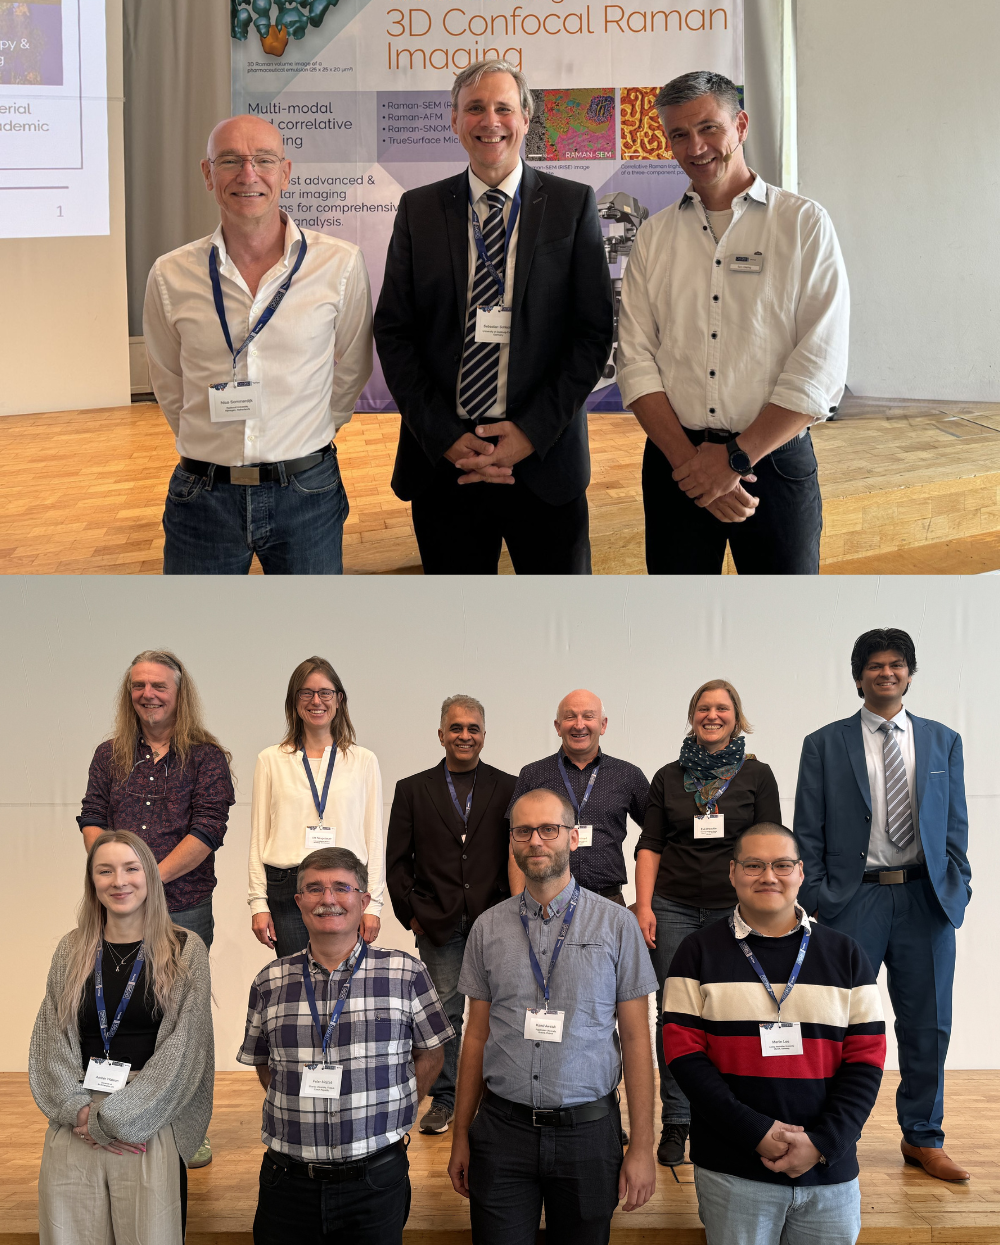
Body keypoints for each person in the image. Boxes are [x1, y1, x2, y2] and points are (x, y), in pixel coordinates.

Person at [374, 58, 613, 574]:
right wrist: (443, 436)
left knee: (564, 622)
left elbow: (593, 334)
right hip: (445, 464)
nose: (490, 121)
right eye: (475, 108)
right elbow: (394, 332)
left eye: (504, 107)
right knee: (457, 624)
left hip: (544, 460)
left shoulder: (573, 206)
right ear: (454, 120)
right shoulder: (418, 210)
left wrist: (529, 433)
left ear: (526, 117)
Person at [616, 70, 849, 575]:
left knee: (783, 628)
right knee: (677, 627)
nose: (695, 147)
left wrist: (734, 461)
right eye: (679, 134)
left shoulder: (804, 224)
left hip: (774, 465)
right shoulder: (654, 236)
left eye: (708, 128)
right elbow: (634, 360)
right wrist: (693, 465)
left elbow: (820, 365)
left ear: (740, 125)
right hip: (675, 465)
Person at [143, 114, 373, 574]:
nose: (248, 175)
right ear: (208, 174)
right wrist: (212, 438)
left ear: (285, 172)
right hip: (202, 495)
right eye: (229, 161)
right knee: (195, 630)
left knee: (314, 629)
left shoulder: (339, 263)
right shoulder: (170, 274)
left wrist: (311, 429)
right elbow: (169, 381)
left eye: (263, 160)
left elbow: (353, 364)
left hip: (307, 491)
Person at [794, 628, 972, 1182]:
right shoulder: (823, 743)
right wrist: (820, 898)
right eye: (875, 665)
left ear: (910, 674)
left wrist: (957, 884)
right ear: (858, 676)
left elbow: (956, 826)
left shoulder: (943, 741)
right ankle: (828, 1136)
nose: (886, 673)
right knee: (837, 1023)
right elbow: (807, 830)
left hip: (926, 899)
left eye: (897, 664)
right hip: (854, 900)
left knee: (929, 1025)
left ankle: (923, 1137)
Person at [447, 788, 657, 1243]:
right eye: (523, 831)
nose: (536, 841)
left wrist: (643, 1146)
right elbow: (476, 1038)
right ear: (512, 841)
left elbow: (638, 1041)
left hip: (589, 1134)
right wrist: (460, 1133)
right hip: (502, 1135)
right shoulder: (488, 928)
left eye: (549, 829)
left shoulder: (617, 925)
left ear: (573, 838)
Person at [663, 823, 885, 1245]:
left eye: (782, 864)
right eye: (754, 865)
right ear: (732, 872)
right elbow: (683, 1058)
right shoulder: (696, 953)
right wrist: (755, 1133)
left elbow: (867, 1061)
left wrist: (822, 1142)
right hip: (734, 1171)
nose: (769, 876)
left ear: (801, 872)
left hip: (828, 1175)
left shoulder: (846, 955)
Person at [238, 847, 454, 1245]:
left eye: (342, 887)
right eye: (315, 889)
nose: (328, 899)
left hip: (375, 1179)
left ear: (364, 900)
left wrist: (397, 1108)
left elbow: (431, 1053)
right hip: (287, 1182)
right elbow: (265, 1063)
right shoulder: (270, 981)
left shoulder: (406, 972)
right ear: (298, 901)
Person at [78, 649, 230, 1167]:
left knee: (186, 1024)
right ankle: (120, 1111)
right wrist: (116, 876)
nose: (148, 694)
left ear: (178, 693)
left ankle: (190, 1129)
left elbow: (209, 830)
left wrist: (146, 880)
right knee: (119, 1011)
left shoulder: (207, 757)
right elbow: (92, 817)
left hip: (184, 909)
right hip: (116, 913)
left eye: (159, 686)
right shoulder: (109, 753)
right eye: (139, 685)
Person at [29, 830, 213, 1245]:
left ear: (149, 875)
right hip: (75, 1119)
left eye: (131, 868)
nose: (119, 881)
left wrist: (118, 1119)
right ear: (92, 882)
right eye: (105, 870)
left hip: (146, 1121)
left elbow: (184, 1051)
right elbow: (50, 1041)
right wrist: (80, 1114)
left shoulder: (185, 949)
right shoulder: (72, 949)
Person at [632, 678, 782, 1167]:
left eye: (722, 708)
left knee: (739, 1009)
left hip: (736, 913)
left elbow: (771, 845)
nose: (712, 715)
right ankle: (676, 1120)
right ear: (692, 715)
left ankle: (734, 1116)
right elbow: (650, 845)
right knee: (674, 1013)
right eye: (703, 708)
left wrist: (769, 907)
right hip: (673, 906)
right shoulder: (668, 777)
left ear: (737, 717)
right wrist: (644, 905)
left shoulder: (758, 777)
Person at [386, 694, 518, 1136]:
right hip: (437, 923)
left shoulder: (507, 786)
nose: (465, 736)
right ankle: (444, 1100)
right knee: (443, 1015)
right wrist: (414, 916)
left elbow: (517, 852)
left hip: (496, 920)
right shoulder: (412, 789)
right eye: (456, 728)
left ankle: (493, 1097)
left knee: (497, 1010)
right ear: (441, 734)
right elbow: (397, 862)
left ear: (484, 735)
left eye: (473, 728)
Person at [249, 657, 385, 957]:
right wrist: (258, 902)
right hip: (288, 887)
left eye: (325, 692)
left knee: (345, 985)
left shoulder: (363, 761)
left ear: (339, 699)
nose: (316, 701)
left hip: (346, 884)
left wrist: (373, 904)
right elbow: (259, 837)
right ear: (294, 701)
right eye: (306, 692)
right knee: (298, 987)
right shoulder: (270, 759)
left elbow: (374, 838)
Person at [507, 688, 649, 905]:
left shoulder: (628, 775)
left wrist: (646, 904)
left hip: (608, 901)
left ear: (603, 725)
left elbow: (657, 836)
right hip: (545, 901)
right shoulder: (533, 774)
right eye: (570, 716)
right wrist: (518, 904)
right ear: (557, 726)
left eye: (589, 716)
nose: (579, 724)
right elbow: (516, 841)